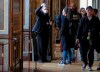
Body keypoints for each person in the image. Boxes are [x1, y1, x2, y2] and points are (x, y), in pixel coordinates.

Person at [76, 6, 100, 71]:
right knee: (83, 52)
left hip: (92, 38)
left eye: (90, 10)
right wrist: (78, 37)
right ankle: (85, 63)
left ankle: (90, 65)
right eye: (88, 10)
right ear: (86, 11)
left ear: (92, 12)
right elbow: (79, 28)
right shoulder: (83, 18)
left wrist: (95, 32)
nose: (89, 12)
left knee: (91, 52)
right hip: (83, 38)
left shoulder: (96, 19)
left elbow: (98, 28)